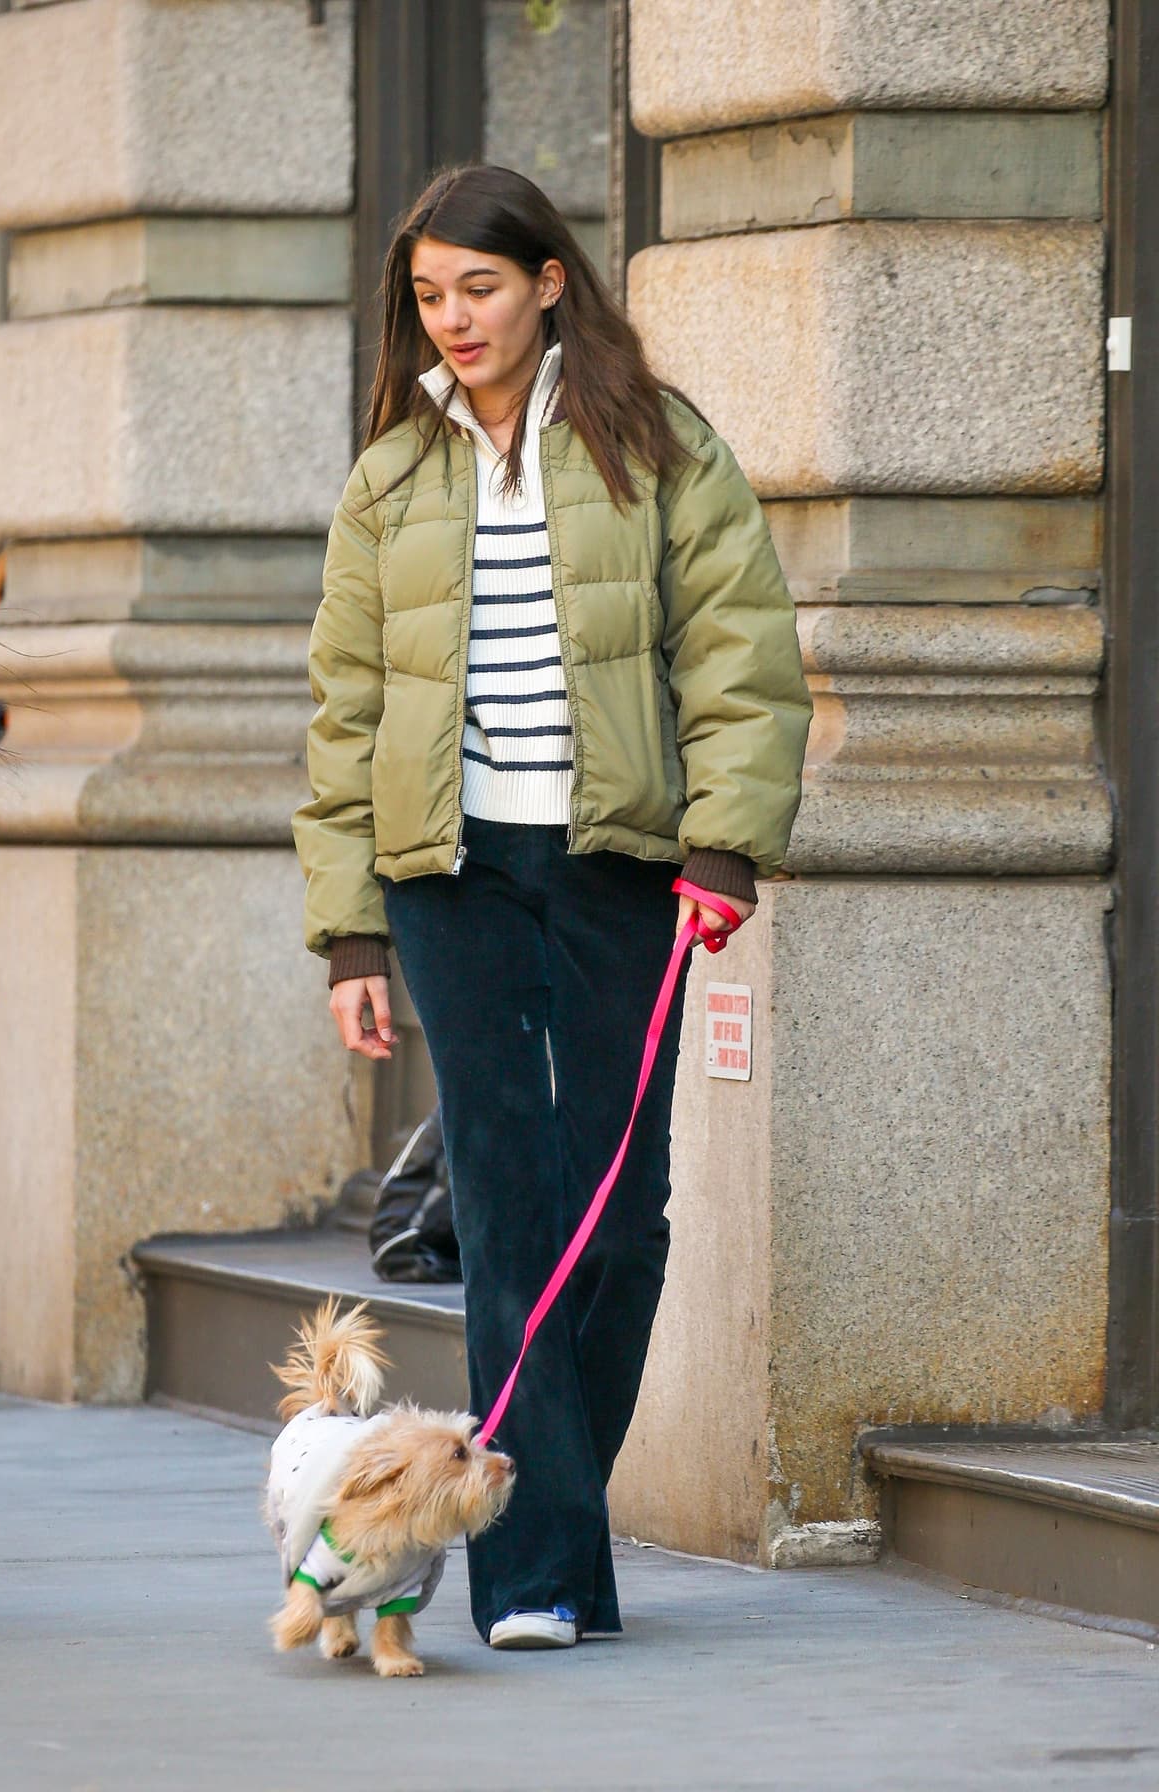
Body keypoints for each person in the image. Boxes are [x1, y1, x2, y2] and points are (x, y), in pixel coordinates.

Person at [293, 165, 811, 1650]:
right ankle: (535, 1575)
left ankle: (549, 1523)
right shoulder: (392, 478)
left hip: (617, 867)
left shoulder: (657, 446)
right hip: (446, 876)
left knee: (622, 1215)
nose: (452, 319)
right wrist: (350, 929)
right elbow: (342, 715)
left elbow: (739, 651)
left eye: (479, 287)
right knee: (511, 1204)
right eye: (429, 295)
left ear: (548, 285)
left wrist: (723, 848)